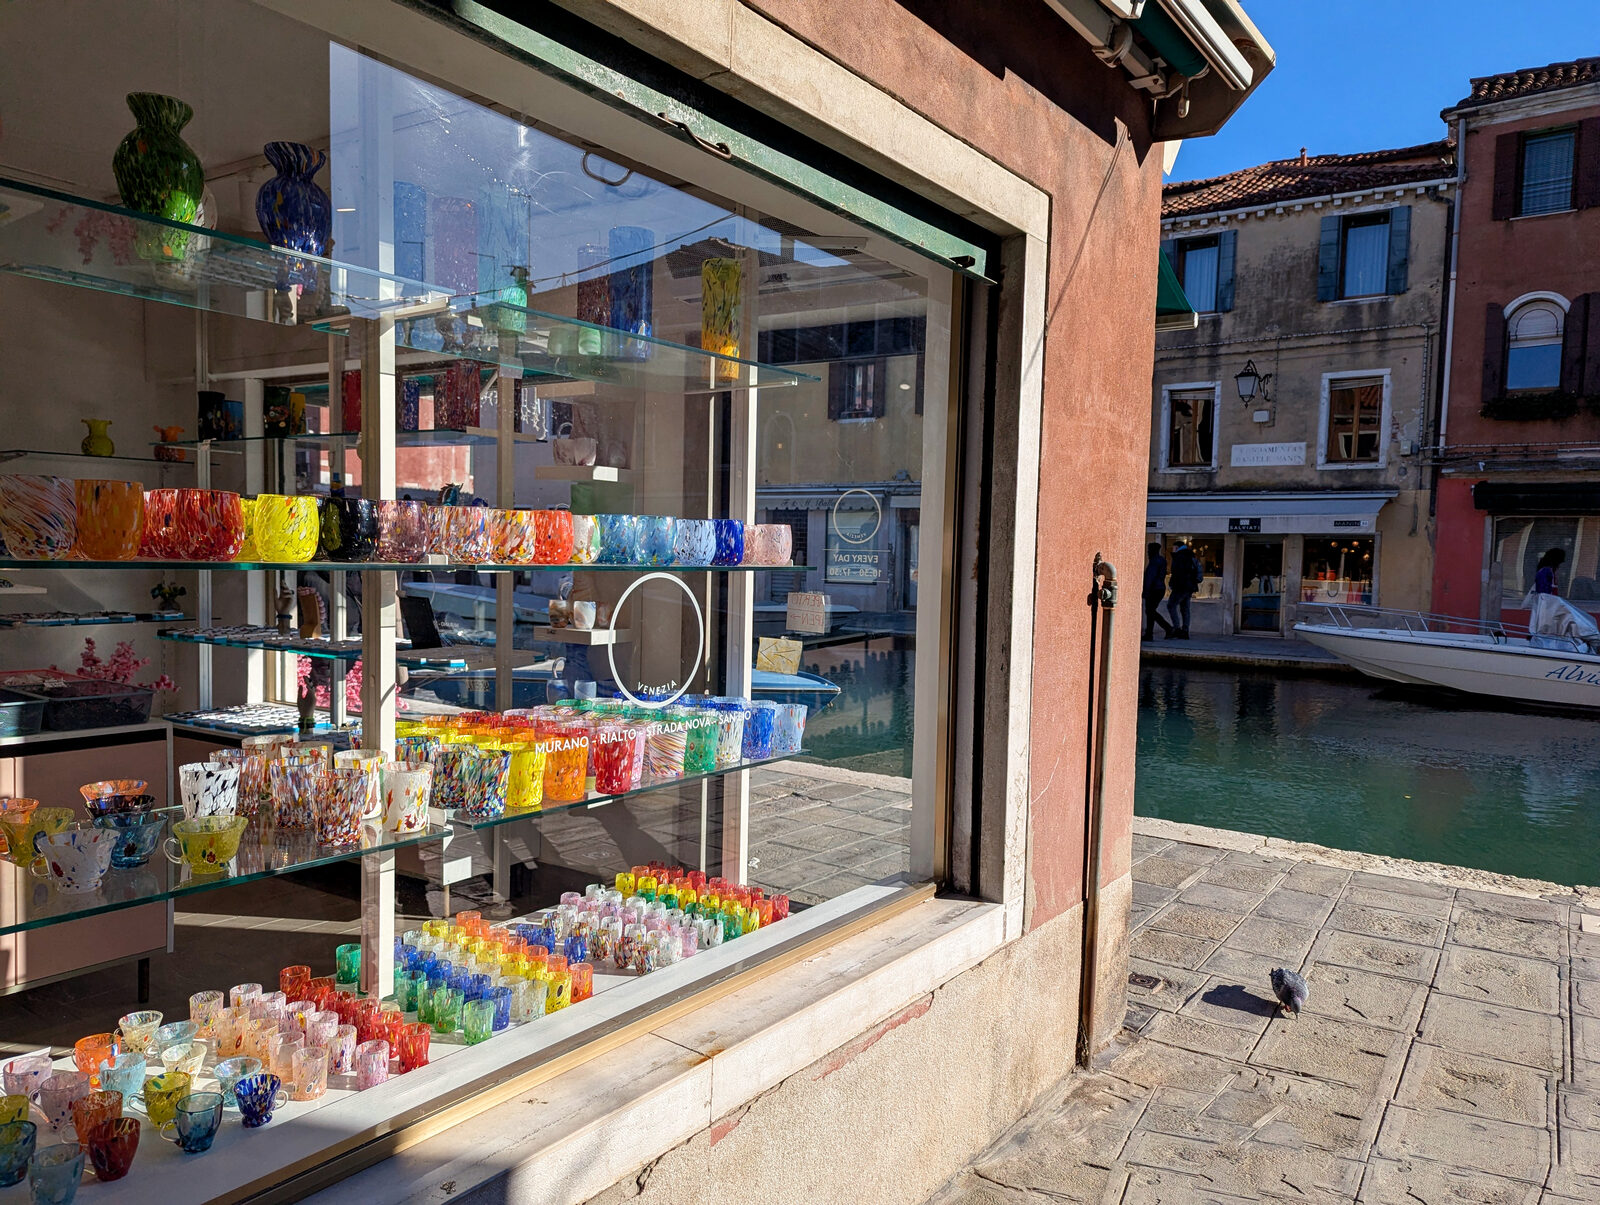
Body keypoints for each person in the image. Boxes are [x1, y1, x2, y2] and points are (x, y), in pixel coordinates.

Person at [1166, 542, 1202, 638]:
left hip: (1180, 586)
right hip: (1189, 586)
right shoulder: (1191, 555)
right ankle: (1185, 630)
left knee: (1171, 605)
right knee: (1185, 608)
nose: (1172, 550)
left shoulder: (1178, 557)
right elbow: (1198, 570)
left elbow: (1176, 573)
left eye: (1173, 548)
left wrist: (1172, 584)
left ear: (1177, 548)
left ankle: (1177, 629)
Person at [1142, 543, 1173, 640]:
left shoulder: (1154, 562)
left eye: (1149, 550)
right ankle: (1150, 633)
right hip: (1159, 589)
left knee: (1150, 611)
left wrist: (1145, 591)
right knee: (1150, 611)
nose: (1147, 552)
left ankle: (1167, 628)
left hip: (1153, 590)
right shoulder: (1161, 560)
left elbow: (1150, 577)